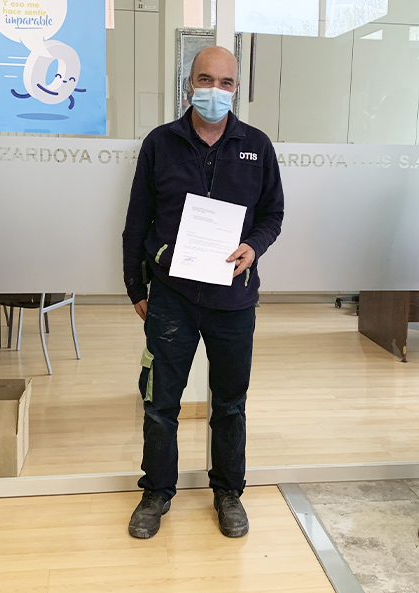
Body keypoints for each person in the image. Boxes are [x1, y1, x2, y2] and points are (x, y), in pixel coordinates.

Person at [121, 46, 284, 539]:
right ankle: (157, 492)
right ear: (189, 84)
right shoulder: (160, 143)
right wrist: (136, 286)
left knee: (230, 404)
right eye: (206, 79)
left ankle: (228, 492)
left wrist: (254, 246)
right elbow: (137, 220)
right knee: (160, 403)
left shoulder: (256, 145)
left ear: (237, 89)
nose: (215, 90)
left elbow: (273, 214)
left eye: (226, 82)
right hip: (172, 296)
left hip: (234, 300)